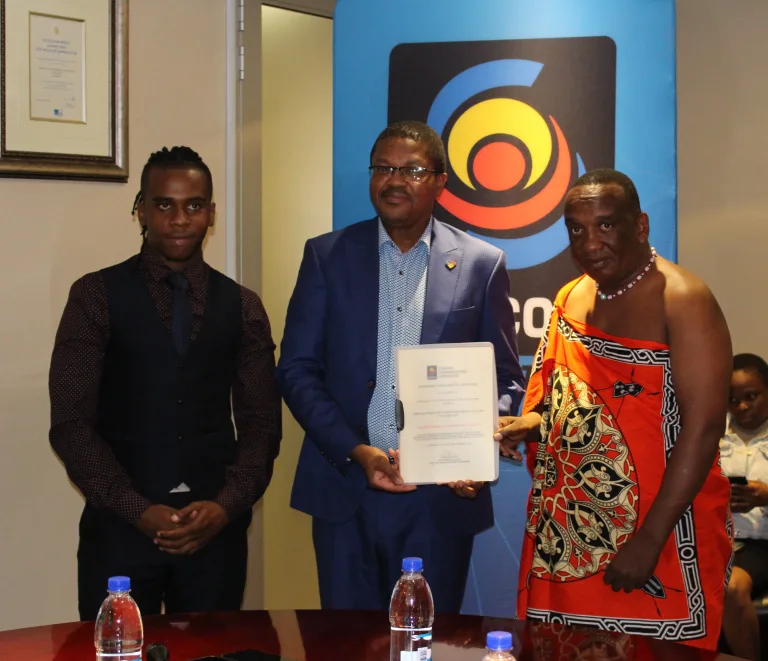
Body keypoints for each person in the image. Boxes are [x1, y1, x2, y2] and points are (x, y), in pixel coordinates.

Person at [277, 120, 525, 612]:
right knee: (346, 643)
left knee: (426, 640)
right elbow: (296, 369)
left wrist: (471, 452)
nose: (394, 180)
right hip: (345, 489)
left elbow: (504, 378)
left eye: (412, 170)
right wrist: (356, 451)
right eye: (383, 168)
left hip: (439, 502)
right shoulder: (325, 255)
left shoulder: (481, 263)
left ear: (440, 181)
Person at [496, 169, 732, 649]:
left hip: (661, 533)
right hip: (569, 539)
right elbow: (567, 403)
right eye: (577, 229)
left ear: (640, 226)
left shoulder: (683, 300)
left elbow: (704, 428)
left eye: (606, 225)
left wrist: (649, 539)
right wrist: (531, 424)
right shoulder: (570, 296)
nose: (590, 244)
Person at [49, 146, 282, 620]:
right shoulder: (95, 295)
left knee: (215, 652)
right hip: (118, 532)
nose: (179, 219)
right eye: (164, 205)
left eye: (193, 205)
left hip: (214, 537)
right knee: (117, 651)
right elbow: (71, 423)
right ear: (141, 209)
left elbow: (262, 424)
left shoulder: (243, 306)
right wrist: (136, 508)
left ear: (211, 214)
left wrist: (226, 506)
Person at [720, 353, 768, 661]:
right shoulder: (712, 435)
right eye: (733, 400)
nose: (741, 407)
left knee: (732, 587)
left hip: (762, 542)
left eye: (751, 396)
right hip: (718, 537)